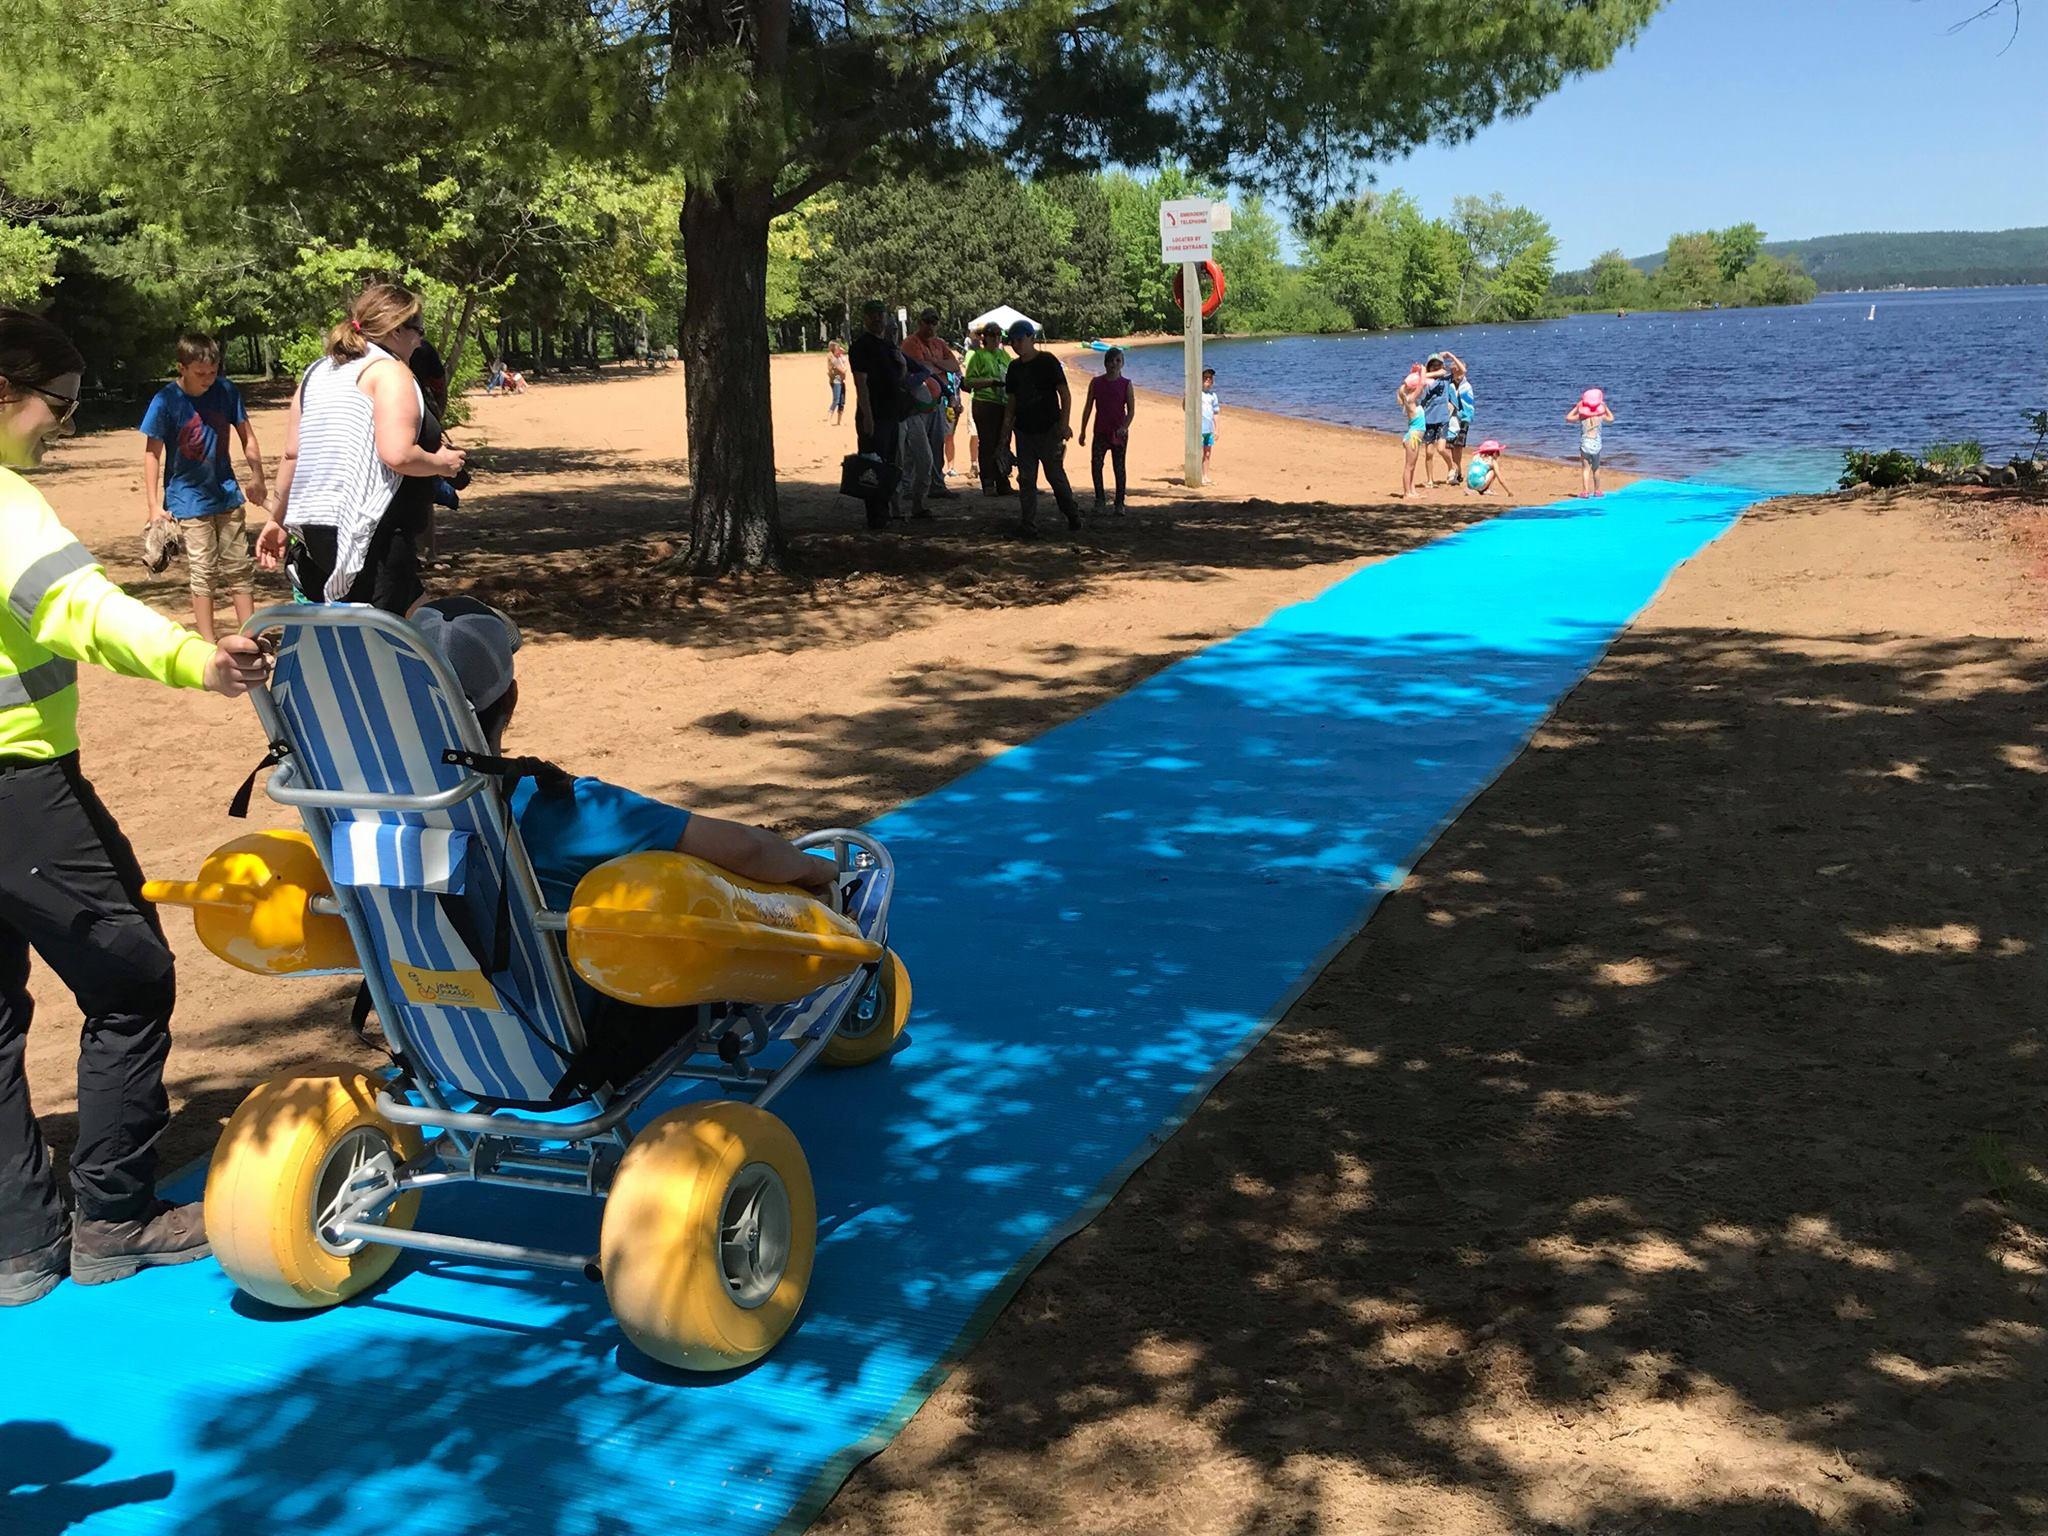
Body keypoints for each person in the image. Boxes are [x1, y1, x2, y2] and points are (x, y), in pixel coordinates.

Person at [0, 308, 272, 1308]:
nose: (60, 428)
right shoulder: (6, 504)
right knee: (132, 981)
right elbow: (80, 608)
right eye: (55, 407)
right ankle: (112, 1216)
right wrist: (197, 656)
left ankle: (20, 1242)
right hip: (19, 793)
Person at [253, 283, 466, 614]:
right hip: (369, 534)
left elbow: (292, 455)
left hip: (316, 534)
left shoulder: (316, 372)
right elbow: (397, 454)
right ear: (396, 330)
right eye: (418, 331)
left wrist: (277, 521)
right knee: (389, 643)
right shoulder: (390, 372)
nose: (420, 341)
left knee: (411, 620)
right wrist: (441, 463)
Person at [138, 333, 266, 644]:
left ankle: (248, 639)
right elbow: (152, 453)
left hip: (226, 492)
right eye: (200, 373)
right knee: (203, 571)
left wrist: (257, 476)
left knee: (239, 568)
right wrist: (154, 506)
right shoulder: (165, 401)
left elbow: (247, 437)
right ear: (181, 367)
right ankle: (208, 646)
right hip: (187, 499)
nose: (208, 379)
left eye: (213, 371)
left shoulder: (226, 391)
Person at [1000, 320, 1079, 538]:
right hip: (1024, 431)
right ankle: (1028, 524)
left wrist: (1064, 425)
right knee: (1026, 479)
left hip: (1048, 430)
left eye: (1019, 339)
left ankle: (1071, 513)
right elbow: (1011, 404)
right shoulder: (1014, 368)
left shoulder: (1048, 361)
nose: (1016, 344)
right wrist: (1004, 436)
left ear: (1031, 338)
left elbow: (1065, 394)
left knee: (1055, 476)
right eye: (1013, 341)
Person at [847, 300, 905, 531]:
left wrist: (902, 366)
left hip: (892, 415)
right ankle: (875, 516)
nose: (877, 319)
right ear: (865, 319)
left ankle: (886, 511)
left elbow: (898, 378)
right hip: (873, 415)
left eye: (880, 314)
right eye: (872, 315)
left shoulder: (889, 346)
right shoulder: (861, 347)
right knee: (872, 467)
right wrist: (867, 416)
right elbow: (861, 384)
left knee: (889, 465)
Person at [900, 310, 960, 502]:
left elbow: (954, 365)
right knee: (913, 446)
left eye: (934, 322)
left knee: (937, 442)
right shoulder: (911, 342)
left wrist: (934, 362)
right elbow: (920, 368)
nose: (931, 326)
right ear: (920, 322)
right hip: (918, 403)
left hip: (938, 401)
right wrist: (936, 366)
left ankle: (937, 484)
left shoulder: (939, 343)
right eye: (927, 322)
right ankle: (907, 486)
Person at [891, 319, 945, 520]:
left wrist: (907, 381)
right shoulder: (879, 357)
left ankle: (918, 504)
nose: (893, 334)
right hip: (893, 417)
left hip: (912, 414)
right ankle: (895, 509)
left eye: (895, 330)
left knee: (925, 460)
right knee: (896, 463)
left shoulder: (902, 356)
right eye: (891, 330)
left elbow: (925, 371)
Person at [1078, 347, 1136, 514]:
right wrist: (1083, 430)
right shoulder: (1096, 383)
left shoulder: (1126, 384)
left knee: (1119, 467)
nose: (1114, 364)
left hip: (1119, 433)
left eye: (1118, 360)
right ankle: (1100, 499)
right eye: (1111, 361)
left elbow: (1131, 410)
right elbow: (1088, 407)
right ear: (1105, 363)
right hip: (1100, 431)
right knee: (1096, 465)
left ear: (1122, 363)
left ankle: (1119, 503)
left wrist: (1124, 427)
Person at [961, 322, 1013, 495]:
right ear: (985, 337)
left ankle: (1003, 482)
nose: (996, 339)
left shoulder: (1004, 355)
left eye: (998, 336)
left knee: (1003, 442)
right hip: (984, 403)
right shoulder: (978, 356)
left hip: (1003, 403)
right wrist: (990, 382)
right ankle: (988, 482)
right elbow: (968, 382)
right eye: (992, 335)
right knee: (988, 443)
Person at [1567, 388, 1615, 497]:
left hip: (1585, 443)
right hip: (1596, 443)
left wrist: (1577, 407)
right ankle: (1597, 490)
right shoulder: (1600, 416)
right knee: (1596, 468)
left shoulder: (1582, 416)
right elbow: (1611, 419)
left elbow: (1568, 418)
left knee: (1585, 468)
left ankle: (1585, 491)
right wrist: (1606, 408)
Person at [1418, 356, 1455, 486]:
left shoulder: (1445, 378)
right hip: (1428, 419)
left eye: (1438, 365)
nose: (1436, 367)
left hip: (1442, 419)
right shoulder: (1423, 381)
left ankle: (1451, 467)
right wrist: (1428, 374)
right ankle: (1430, 480)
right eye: (1432, 365)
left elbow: (1457, 369)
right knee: (1428, 452)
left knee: (1441, 448)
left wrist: (1449, 355)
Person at [1443, 354, 1476, 485]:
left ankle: (1457, 470)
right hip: (1451, 418)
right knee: (1451, 446)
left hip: (1464, 417)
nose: (1458, 372)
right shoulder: (1449, 383)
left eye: (1459, 370)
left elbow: (1464, 370)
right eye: (1455, 370)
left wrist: (1451, 356)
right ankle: (1455, 470)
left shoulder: (1465, 384)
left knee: (1459, 446)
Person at [1394, 365, 1426, 498]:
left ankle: (1412, 490)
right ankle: (1407, 492)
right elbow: (1422, 384)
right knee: (1409, 466)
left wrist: (1414, 372)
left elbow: (1413, 383)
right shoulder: (1410, 400)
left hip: (1415, 437)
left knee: (1413, 466)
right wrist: (1423, 370)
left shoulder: (1411, 400)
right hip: (1412, 437)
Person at [1199, 367, 1220, 478]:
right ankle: (1197, 474)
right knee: (1198, 453)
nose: (1208, 380)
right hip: (1199, 429)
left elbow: (1216, 413)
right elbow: (1186, 407)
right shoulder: (1197, 394)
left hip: (1209, 429)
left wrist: (1217, 429)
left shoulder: (1213, 396)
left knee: (1207, 453)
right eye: (1205, 377)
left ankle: (1205, 476)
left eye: (1210, 378)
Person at [825, 340, 850, 426]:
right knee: (836, 400)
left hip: (841, 381)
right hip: (836, 381)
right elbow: (842, 370)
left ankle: (839, 420)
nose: (839, 349)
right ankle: (828, 419)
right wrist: (844, 369)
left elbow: (844, 357)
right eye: (837, 348)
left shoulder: (839, 357)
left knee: (842, 401)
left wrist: (841, 353)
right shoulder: (832, 358)